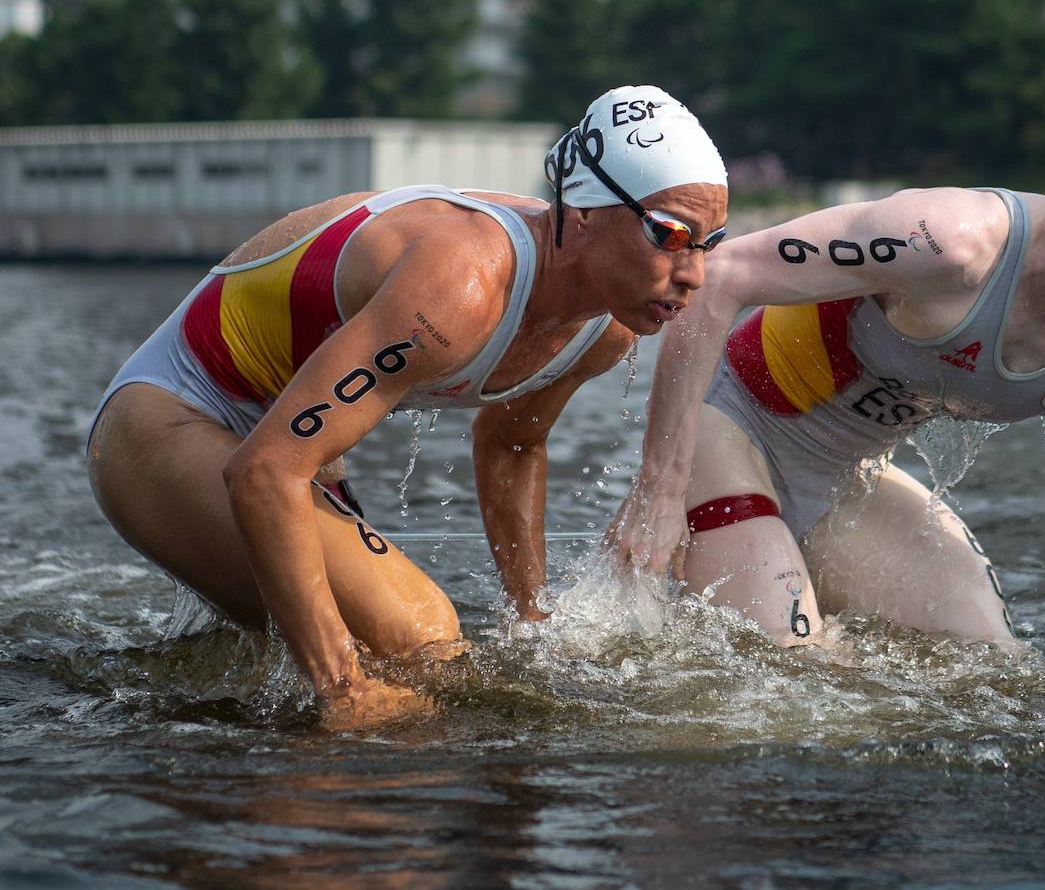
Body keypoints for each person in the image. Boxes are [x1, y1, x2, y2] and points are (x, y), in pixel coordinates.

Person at [87, 86, 728, 729]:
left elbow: (510, 445)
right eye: (671, 234)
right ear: (583, 211)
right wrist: (343, 690)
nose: (694, 273)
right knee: (418, 637)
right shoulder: (460, 287)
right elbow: (265, 472)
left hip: (288, 446)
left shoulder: (606, 328)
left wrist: (533, 624)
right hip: (170, 420)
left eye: (710, 242)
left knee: (395, 662)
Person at [609, 88, 1045, 696]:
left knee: (992, 668)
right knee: (792, 676)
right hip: (733, 429)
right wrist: (658, 490)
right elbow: (717, 278)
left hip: (846, 479)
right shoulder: (952, 243)